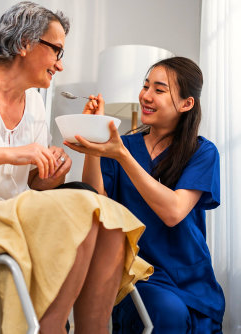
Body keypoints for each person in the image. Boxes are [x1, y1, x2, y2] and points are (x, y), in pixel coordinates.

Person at [0, 2, 152, 333]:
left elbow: (33, 185)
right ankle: (49, 328)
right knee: (86, 208)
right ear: (26, 43)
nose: (60, 65)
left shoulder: (35, 107)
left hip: (11, 216)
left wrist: (49, 175)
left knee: (108, 222)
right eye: (56, 51)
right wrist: (11, 154)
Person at [65, 56, 225, 333]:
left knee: (178, 315)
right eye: (145, 86)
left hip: (190, 276)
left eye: (159, 90)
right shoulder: (123, 145)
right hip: (137, 272)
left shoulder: (202, 152)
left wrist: (122, 156)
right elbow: (97, 200)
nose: (146, 96)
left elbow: (173, 212)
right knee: (167, 313)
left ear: (187, 104)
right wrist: (94, 144)